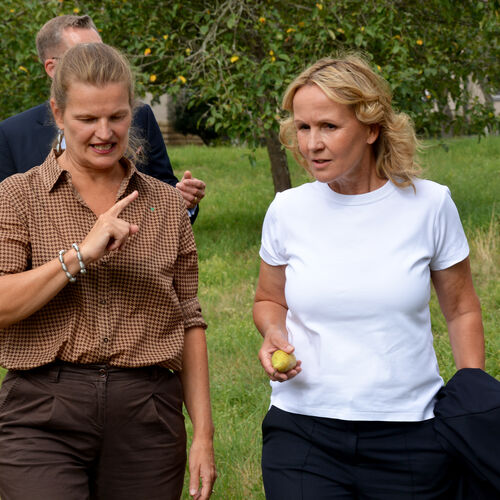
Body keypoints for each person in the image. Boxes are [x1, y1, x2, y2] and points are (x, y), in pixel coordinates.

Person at [253, 54, 485, 499]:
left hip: (411, 435)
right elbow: (268, 300)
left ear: (372, 128)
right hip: (303, 433)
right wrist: (273, 332)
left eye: (328, 127)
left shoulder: (430, 205)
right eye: (303, 128)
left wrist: (472, 405)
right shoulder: (288, 209)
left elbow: (461, 310)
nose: (311, 144)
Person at [0, 43, 216, 500]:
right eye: (87, 119)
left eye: (117, 117)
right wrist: (78, 255)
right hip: (42, 411)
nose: (104, 132)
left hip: (147, 413)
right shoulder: (18, 197)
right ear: (58, 114)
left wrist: (203, 436)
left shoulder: (165, 205)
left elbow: (190, 319)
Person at [0, 14, 205, 223]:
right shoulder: (12, 134)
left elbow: (164, 196)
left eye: (103, 52)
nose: (105, 132)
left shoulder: (140, 116)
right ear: (52, 68)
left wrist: (183, 203)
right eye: (83, 56)